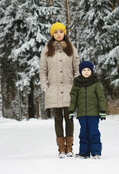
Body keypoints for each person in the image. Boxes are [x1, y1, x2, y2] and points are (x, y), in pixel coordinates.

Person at [39, 22, 80, 158]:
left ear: (64, 33)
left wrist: (76, 86)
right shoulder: (46, 50)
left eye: (60, 32)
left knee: (69, 118)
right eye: (55, 32)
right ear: (52, 34)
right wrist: (45, 86)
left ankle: (69, 148)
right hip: (53, 89)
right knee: (58, 118)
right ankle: (61, 149)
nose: (58, 34)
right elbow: (43, 70)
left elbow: (77, 69)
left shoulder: (71, 48)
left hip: (69, 88)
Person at [68, 61, 107, 159]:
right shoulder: (77, 84)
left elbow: (101, 98)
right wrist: (71, 111)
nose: (86, 72)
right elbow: (74, 99)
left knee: (94, 132)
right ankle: (84, 153)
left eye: (88, 70)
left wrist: (102, 111)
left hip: (94, 114)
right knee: (83, 133)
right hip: (82, 114)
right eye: (84, 70)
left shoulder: (95, 83)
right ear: (81, 71)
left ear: (92, 71)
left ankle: (96, 152)